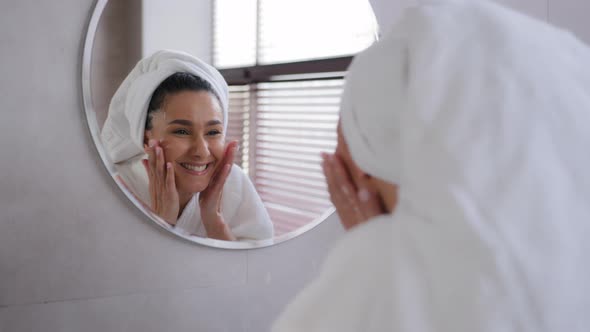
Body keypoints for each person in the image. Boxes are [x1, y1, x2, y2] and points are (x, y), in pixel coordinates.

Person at [272, 0, 590, 331]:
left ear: (367, 169)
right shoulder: (567, 263)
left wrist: (370, 254)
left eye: (344, 141)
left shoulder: (376, 283)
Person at [101, 50, 274, 241]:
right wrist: (162, 223)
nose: (201, 151)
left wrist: (213, 220)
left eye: (213, 132)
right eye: (181, 132)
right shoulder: (113, 192)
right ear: (144, 137)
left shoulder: (235, 184)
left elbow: (254, 269)